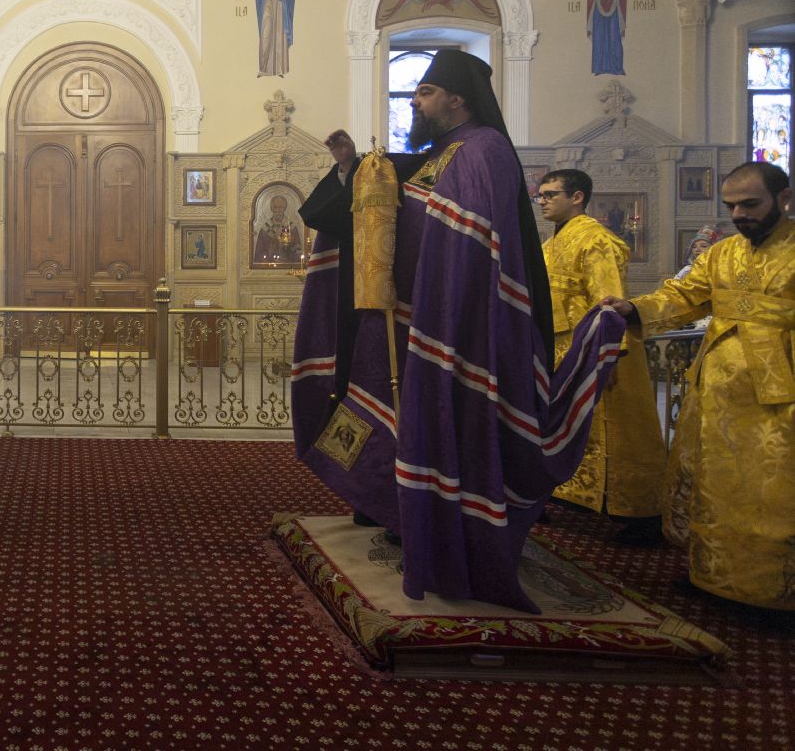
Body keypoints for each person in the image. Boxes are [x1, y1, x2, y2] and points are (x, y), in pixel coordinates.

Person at [290, 51, 625, 612]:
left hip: (458, 330)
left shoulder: (484, 150)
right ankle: (404, 516)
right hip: (416, 321)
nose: (415, 102)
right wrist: (352, 169)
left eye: (424, 92)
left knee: (447, 420)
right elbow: (394, 205)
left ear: (456, 98)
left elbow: (467, 243)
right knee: (402, 418)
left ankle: (447, 533)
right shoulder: (439, 154)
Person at [602, 162, 794, 613]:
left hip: (781, 393)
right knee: (715, 483)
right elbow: (682, 295)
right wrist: (633, 308)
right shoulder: (721, 254)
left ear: (784, 199)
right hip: (717, 388)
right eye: (732, 206)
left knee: (771, 489)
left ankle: (772, 589)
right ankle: (712, 575)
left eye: (750, 204)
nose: (739, 214)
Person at [536, 168, 663, 545]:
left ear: (577, 197)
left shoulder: (597, 239)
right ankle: (567, 494)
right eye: (540, 195)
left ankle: (640, 514)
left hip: (599, 350)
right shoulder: (550, 244)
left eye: (550, 194)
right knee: (567, 424)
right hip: (563, 350)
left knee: (617, 432)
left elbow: (609, 301)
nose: (542, 201)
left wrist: (607, 355)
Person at [252, 193, 298, 265]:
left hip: (287, 264)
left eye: (280, 207)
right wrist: (272, 244)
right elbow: (259, 253)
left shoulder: (291, 227)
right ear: (271, 209)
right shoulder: (265, 229)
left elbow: (297, 251)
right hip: (269, 265)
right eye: (275, 207)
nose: (277, 210)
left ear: (284, 208)